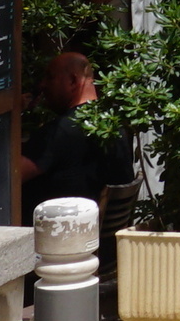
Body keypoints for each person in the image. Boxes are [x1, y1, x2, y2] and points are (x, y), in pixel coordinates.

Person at [18, 47, 115, 223]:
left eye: (50, 77)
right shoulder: (113, 123)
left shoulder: (61, 131)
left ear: (72, 81)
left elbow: (9, 176)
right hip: (97, 235)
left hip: (56, 237)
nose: (43, 85)